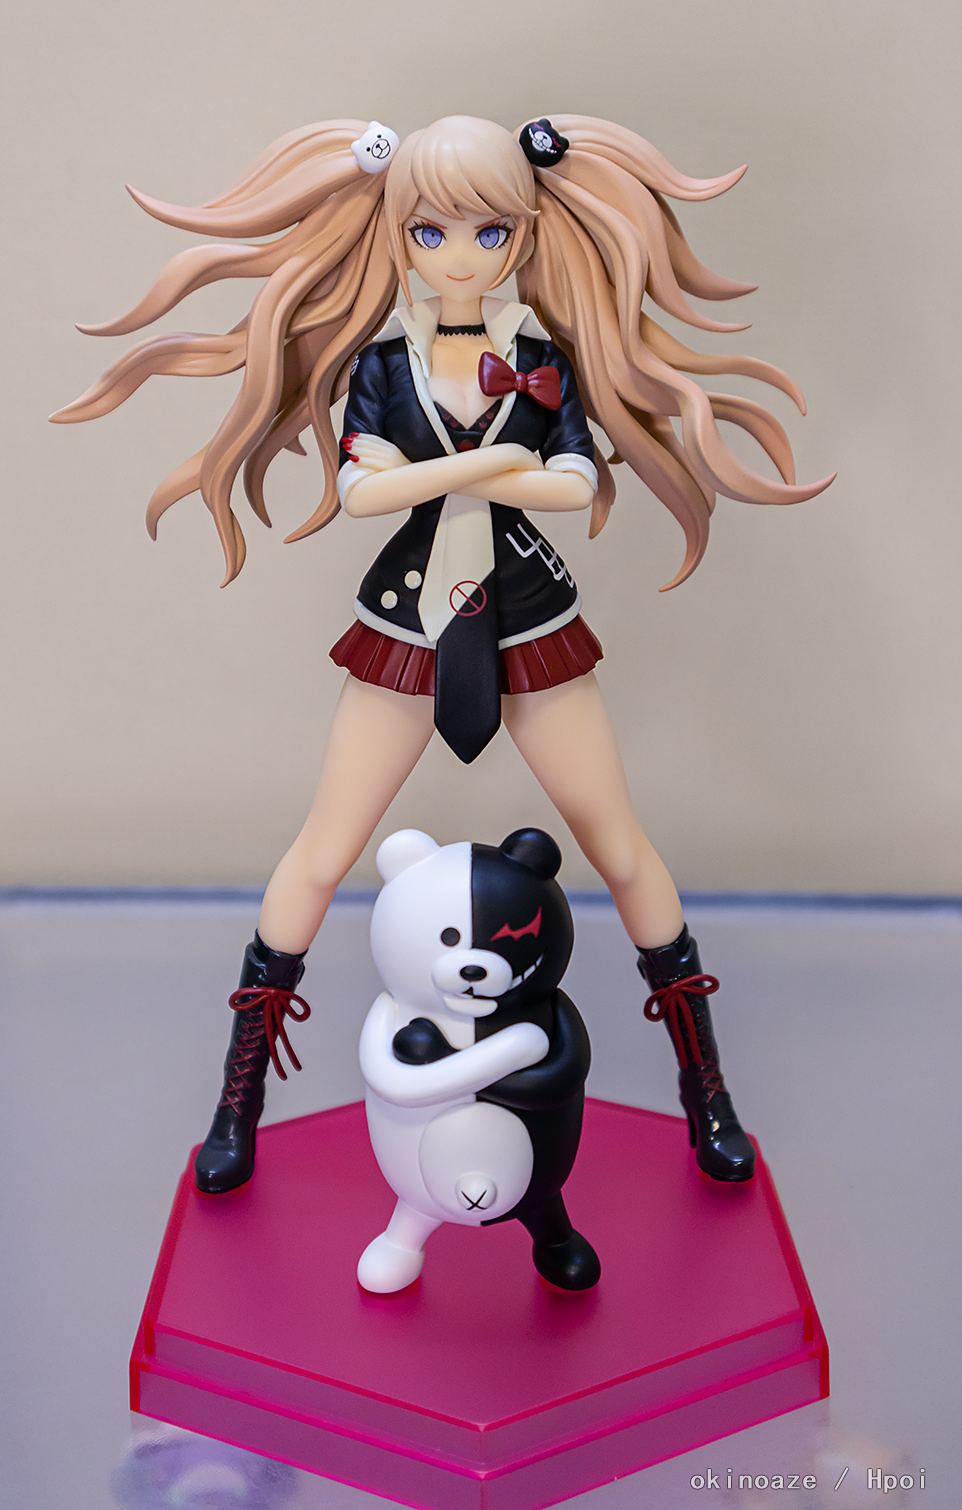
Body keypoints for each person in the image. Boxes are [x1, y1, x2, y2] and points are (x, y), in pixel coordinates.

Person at [53, 114, 833, 1195]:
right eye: (430, 232)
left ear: (523, 234)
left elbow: (572, 484)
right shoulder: (382, 366)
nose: (459, 256)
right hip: (410, 624)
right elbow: (364, 493)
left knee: (619, 847)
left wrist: (446, 471)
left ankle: (708, 1091)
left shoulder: (544, 362)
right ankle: (237, 1100)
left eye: (487, 231)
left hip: (530, 617)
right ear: (396, 235)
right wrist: (484, 468)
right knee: (322, 852)